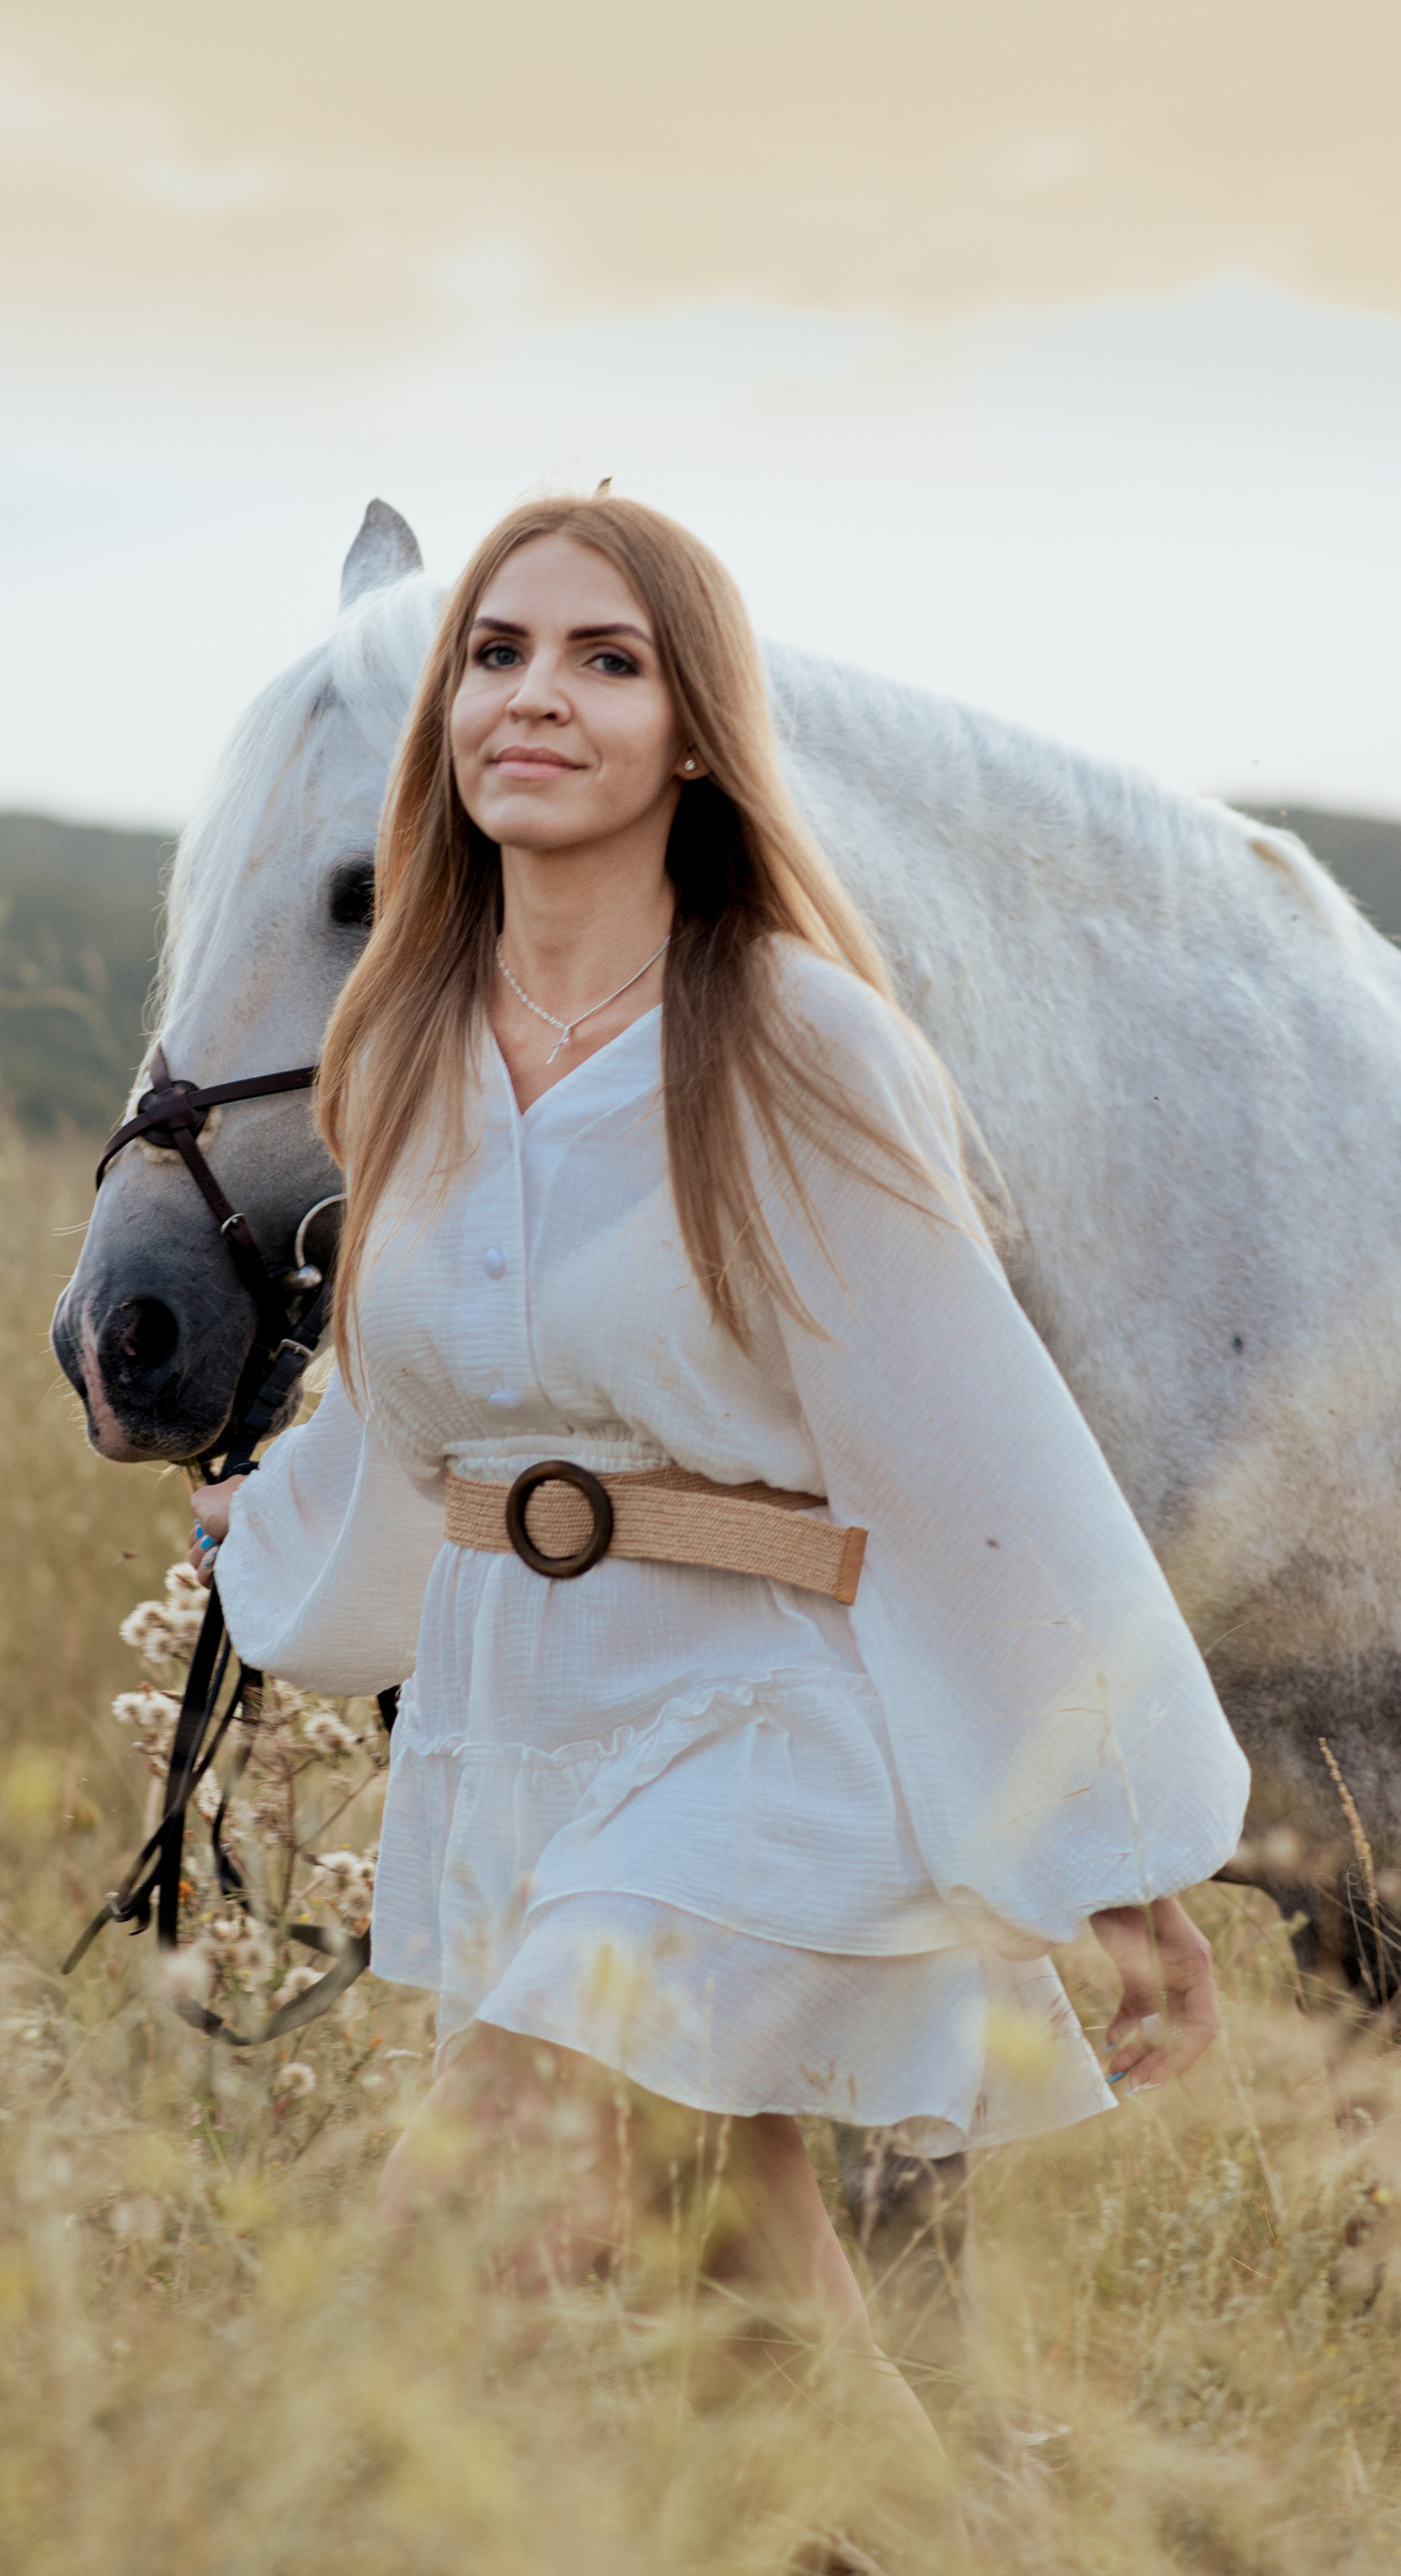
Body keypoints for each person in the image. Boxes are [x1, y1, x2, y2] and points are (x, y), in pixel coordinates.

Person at [189, 493, 1249, 2559]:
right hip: (532, 1731)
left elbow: (972, 1448)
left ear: (697, 735)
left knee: (469, 2214)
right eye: (499, 653)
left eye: (610, 661)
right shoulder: (398, 1048)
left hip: (770, 1732)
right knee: (762, 2345)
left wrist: (1104, 1848)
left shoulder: (791, 1037)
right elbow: (424, 1416)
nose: (539, 699)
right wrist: (254, 1532)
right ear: (447, 714)